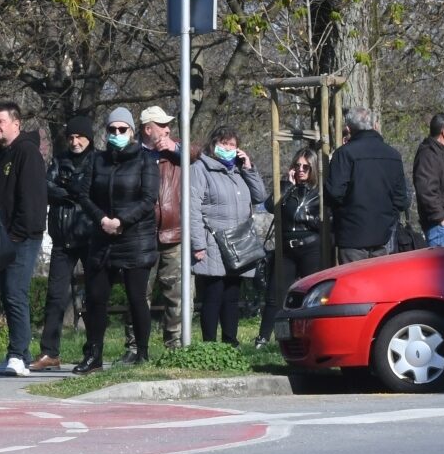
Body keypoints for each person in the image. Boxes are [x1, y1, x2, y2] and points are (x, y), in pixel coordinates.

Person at [74, 108, 160, 373]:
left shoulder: (146, 161)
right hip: (102, 238)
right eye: (112, 130)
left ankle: (141, 352)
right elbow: (83, 195)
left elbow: (148, 199)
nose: (117, 134)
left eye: (122, 129)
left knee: (136, 297)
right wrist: (103, 220)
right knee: (96, 296)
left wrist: (121, 221)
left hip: (135, 237)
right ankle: (94, 354)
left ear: (132, 132)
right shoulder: (96, 160)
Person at [188, 125, 268, 345]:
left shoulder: (239, 170)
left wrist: (249, 168)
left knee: (232, 295)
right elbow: (192, 209)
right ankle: (210, 345)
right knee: (213, 295)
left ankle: (230, 342)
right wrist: (198, 244)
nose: (228, 148)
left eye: (233, 144)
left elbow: (260, 196)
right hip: (212, 240)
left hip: (238, 243)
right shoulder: (200, 169)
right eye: (224, 143)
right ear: (214, 144)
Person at [0, 101, 48, 376]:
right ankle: (21, 354)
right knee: (8, 294)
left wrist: (17, 235)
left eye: (0, 121)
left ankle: (17, 354)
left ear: (16, 123)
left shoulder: (27, 153)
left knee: (15, 294)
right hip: (3, 237)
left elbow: (32, 200)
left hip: (23, 238)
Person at [32, 115, 95, 371]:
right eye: (70, 137)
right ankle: (49, 353)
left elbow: (90, 189)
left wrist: (69, 189)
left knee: (94, 296)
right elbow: (46, 187)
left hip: (89, 236)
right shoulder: (59, 160)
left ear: (89, 137)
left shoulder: (97, 160)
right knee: (55, 297)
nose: (74, 141)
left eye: (79, 136)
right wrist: (71, 192)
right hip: (62, 237)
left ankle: (93, 350)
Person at [257, 148, 324, 346]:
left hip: (310, 247)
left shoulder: (318, 193)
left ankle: (313, 338)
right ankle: (262, 339)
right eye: (297, 166)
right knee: (275, 295)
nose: (301, 170)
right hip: (286, 247)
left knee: (313, 295)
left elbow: (327, 221)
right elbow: (269, 206)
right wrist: (286, 185)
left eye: (306, 166)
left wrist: (307, 218)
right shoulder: (287, 188)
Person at [325, 108, 409, 263]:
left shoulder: (344, 154)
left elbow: (333, 193)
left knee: (353, 285)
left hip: (352, 235)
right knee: (380, 284)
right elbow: (402, 199)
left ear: (349, 129)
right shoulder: (393, 156)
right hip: (384, 235)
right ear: (375, 125)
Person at [139, 106, 187, 350]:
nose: (168, 129)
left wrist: (176, 149)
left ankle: (175, 345)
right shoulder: (133, 154)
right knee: (138, 294)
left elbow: (200, 154)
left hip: (173, 233)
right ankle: (136, 347)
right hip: (141, 237)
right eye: (162, 125)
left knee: (176, 295)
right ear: (148, 129)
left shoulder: (178, 149)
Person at [415, 114, 444, 249]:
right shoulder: (428, 154)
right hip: (439, 228)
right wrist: (440, 220)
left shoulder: (440, 154)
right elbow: (427, 190)